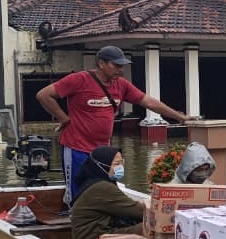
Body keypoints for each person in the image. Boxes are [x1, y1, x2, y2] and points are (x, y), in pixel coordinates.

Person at [37, 45, 187, 205]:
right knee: (77, 188)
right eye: (116, 65)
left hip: (103, 152)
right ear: (101, 64)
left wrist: (179, 117)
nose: (120, 69)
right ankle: (75, 219)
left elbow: (148, 102)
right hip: (77, 147)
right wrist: (64, 119)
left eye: (122, 66)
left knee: (105, 188)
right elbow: (44, 95)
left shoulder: (121, 85)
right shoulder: (79, 79)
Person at [70, 146, 146, 239]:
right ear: (101, 165)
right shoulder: (102, 188)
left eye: (122, 163)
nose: (120, 168)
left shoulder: (94, 183)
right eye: (116, 164)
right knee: (151, 227)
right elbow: (140, 211)